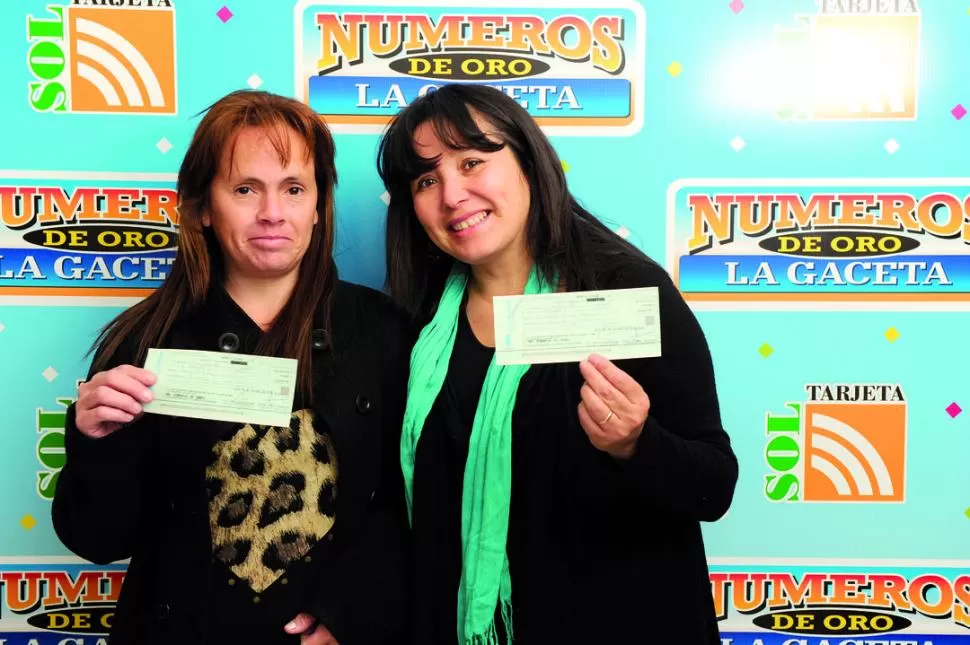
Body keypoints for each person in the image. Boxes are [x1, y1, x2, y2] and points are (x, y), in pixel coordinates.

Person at [376, 83, 738, 645]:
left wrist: (635, 444)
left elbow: (714, 487)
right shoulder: (419, 322)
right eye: (426, 180)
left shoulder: (627, 292)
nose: (452, 194)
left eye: (473, 161)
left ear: (527, 159)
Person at [52, 89, 412, 645]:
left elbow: (410, 506)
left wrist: (352, 613)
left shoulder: (382, 332)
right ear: (201, 210)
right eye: (245, 189)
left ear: (319, 206)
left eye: (294, 189)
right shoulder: (145, 340)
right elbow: (99, 540)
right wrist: (96, 441)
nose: (272, 213)